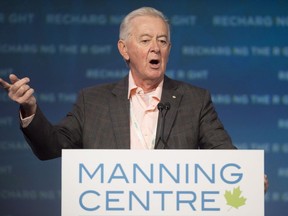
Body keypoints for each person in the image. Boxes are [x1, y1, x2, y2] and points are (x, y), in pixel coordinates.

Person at [0, 7, 268, 191]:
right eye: (145, 40)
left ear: (169, 49)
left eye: (162, 41)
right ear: (124, 49)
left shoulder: (194, 100)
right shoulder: (92, 101)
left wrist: (246, 177)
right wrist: (29, 107)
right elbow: (51, 147)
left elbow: (224, 154)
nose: (155, 47)